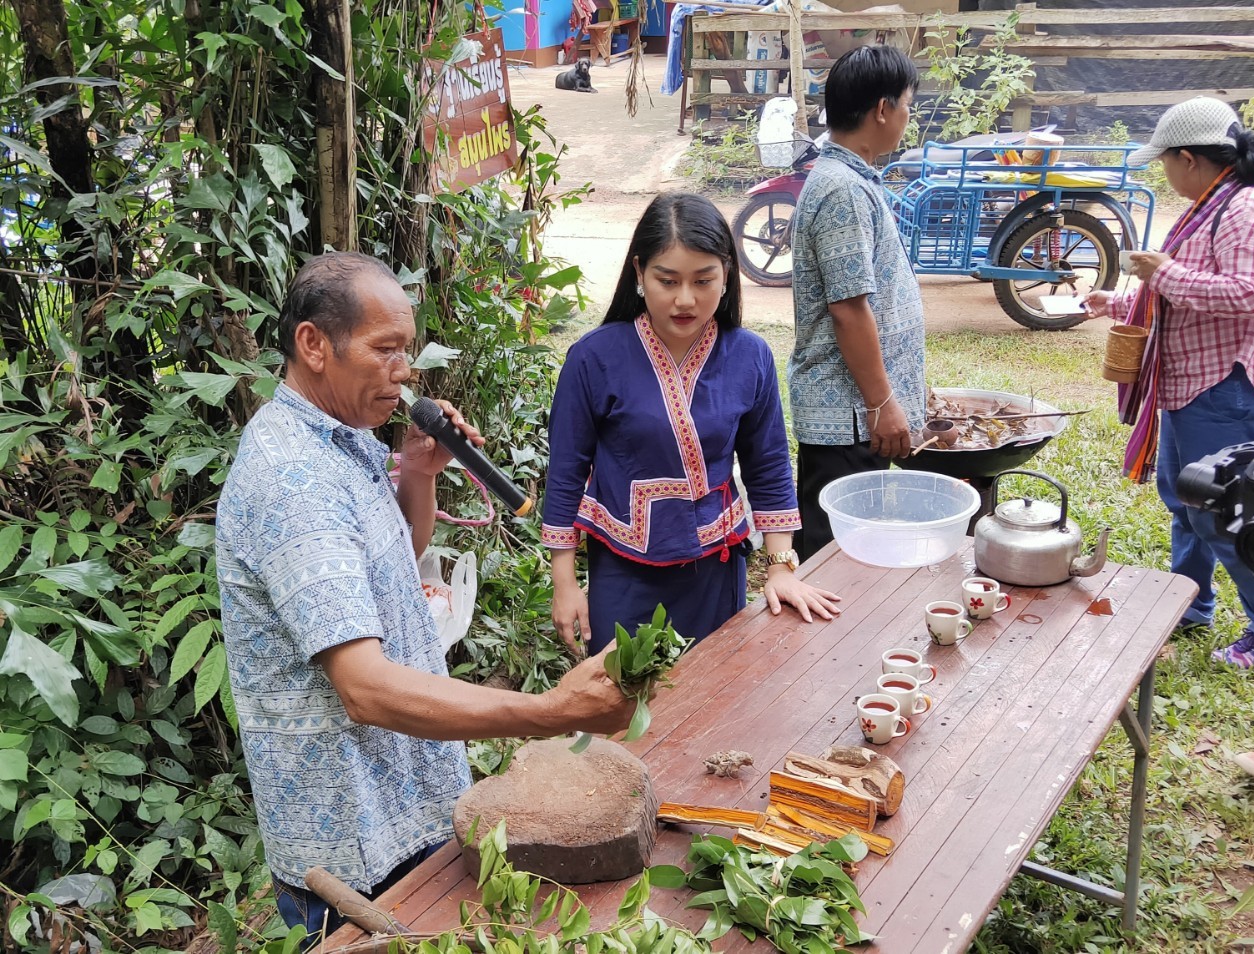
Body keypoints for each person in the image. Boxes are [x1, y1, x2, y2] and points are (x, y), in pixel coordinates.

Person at [215, 252, 633, 946]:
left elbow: (379, 573)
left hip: (408, 804)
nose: (404, 371)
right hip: (358, 846)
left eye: (405, 350)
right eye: (385, 351)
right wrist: (547, 714)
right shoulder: (292, 481)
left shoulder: (338, 438)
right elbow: (365, 690)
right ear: (313, 345)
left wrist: (418, 473)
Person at [541, 193, 840, 656]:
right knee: (623, 701)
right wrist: (564, 583)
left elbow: (768, 465)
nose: (686, 299)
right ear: (639, 274)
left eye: (704, 280)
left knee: (714, 699)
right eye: (667, 280)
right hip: (623, 567)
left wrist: (781, 567)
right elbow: (565, 471)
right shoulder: (593, 358)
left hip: (716, 567)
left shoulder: (750, 356)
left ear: (727, 274)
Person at [1083, 97, 1254, 670]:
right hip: (1194, 384)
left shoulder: (1249, 208)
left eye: (1164, 162)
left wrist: (1162, 272)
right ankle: (1186, 606)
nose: (1163, 174)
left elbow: (1251, 295)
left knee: (1227, 511)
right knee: (1186, 500)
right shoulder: (1211, 204)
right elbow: (1184, 295)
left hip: (1231, 387)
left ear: (1189, 158)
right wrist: (1119, 300)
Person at [787, 45, 927, 563]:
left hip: (857, 411)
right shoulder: (842, 190)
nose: (908, 116)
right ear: (883, 109)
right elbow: (848, 309)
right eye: (908, 104)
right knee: (834, 559)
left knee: (860, 546)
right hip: (845, 415)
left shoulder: (852, 180)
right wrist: (881, 403)